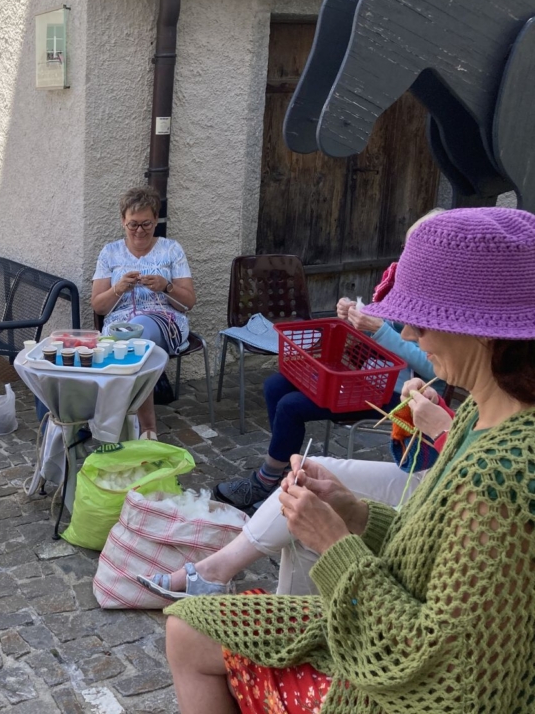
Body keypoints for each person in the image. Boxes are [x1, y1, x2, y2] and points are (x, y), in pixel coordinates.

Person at [165, 207, 535, 714]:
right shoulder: (479, 413)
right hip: (387, 629)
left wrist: (334, 543)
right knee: (186, 623)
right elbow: (432, 553)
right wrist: (353, 511)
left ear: (484, 329)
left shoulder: (504, 474)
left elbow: (446, 676)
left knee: (188, 637)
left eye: (423, 321)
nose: (409, 334)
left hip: (392, 680)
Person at [139, 376, 455, 599]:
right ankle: (224, 576)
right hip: (433, 473)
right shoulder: (474, 383)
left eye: (422, 328)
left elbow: (473, 467)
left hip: (447, 490)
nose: (411, 332)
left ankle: (224, 579)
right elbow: (433, 451)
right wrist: (436, 406)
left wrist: (442, 430)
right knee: (309, 476)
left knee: (307, 505)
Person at [214, 210, 445, 513]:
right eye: (406, 247)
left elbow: (432, 369)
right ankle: (283, 469)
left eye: (414, 249)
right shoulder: (403, 283)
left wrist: (379, 330)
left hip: (397, 393)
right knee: (275, 385)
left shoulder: (441, 299)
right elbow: (385, 326)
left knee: (290, 406)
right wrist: (355, 314)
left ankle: (266, 479)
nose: (405, 256)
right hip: (367, 375)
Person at [91, 186, 196, 440]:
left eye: (146, 224)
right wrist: (118, 288)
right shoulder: (110, 252)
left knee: (137, 337)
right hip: (118, 325)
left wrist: (166, 286)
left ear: (156, 220)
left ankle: (145, 427)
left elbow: (189, 302)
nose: (139, 230)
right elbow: (98, 306)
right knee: (130, 343)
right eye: (133, 224)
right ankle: (140, 428)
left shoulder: (171, 250)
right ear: (123, 221)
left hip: (165, 321)